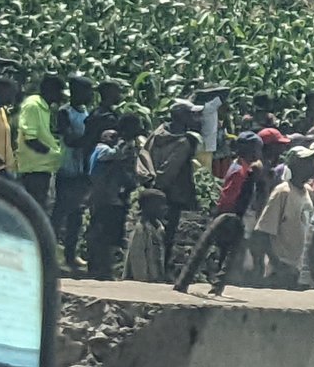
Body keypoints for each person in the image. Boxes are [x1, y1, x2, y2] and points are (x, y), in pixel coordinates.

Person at [173, 133, 271, 295]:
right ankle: (217, 287)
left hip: (231, 218)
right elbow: (228, 197)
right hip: (230, 218)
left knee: (229, 255)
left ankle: (217, 287)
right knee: (228, 255)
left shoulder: (244, 168)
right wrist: (227, 216)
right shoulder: (240, 171)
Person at [83, 116, 144, 278]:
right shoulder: (103, 149)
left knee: (109, 233)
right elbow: (116, 160)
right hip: (105, 196)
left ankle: (104, 267)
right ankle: (98, 268)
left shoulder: (119, 148)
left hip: (113, 195)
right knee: (102, 232)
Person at [252, 147, 314, 289]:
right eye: (306, 162)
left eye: (312, 162)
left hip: (299, 270)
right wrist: (278, 265)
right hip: (281, 271)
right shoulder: (282, 192)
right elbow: (263, 232)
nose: (311, 166)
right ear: (294, 166)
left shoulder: (308, 192)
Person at [145, 100, 205, 252]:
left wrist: (151, 183)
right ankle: (160, 268)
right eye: (191, 115)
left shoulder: (158, 133)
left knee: (152, 229)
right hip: (172, 192)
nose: (194, 118)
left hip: (152, 188)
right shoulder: (183, 142)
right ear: (182, 117)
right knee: (167, 233)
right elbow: (170, 169)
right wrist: (160, 186)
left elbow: (146, 155)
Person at [52, 75, 96, 268]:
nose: (90, 95)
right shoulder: (64, 112)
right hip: (67, 167)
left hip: (82, 169)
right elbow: (69, 139)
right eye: (87, 91)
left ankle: (71, 254)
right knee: (60, 211)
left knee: (76, 214)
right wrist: (90, 138)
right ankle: (50, 252)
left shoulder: (87, 113)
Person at [15, 74, 66, 206]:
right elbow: (30, 139)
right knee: (32, 208)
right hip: (33, 170)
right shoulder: (33, 105)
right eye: (59, 92)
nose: (62, 96)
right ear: (51, 90)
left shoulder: (44, 107)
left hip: (42, 169)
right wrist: (50, 152)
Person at [123, 189, 171, 282]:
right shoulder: (140, 229)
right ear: (148, 207)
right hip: (141, 282)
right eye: (159, 205)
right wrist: (143, 282)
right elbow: (137, 258)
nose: (164, 208)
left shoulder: (160, 229)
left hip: (156, 280)